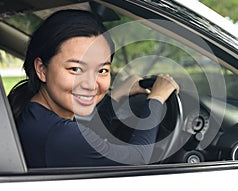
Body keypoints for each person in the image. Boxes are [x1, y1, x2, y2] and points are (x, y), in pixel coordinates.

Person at [8, 9, 179, 168]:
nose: (90, 84)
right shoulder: (58, 135)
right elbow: (138, 158)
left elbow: (88, 136)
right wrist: (156, 99)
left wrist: (116, 95)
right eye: (75, 69)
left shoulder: (33, 113)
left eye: (102, 70)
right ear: (42, 69)